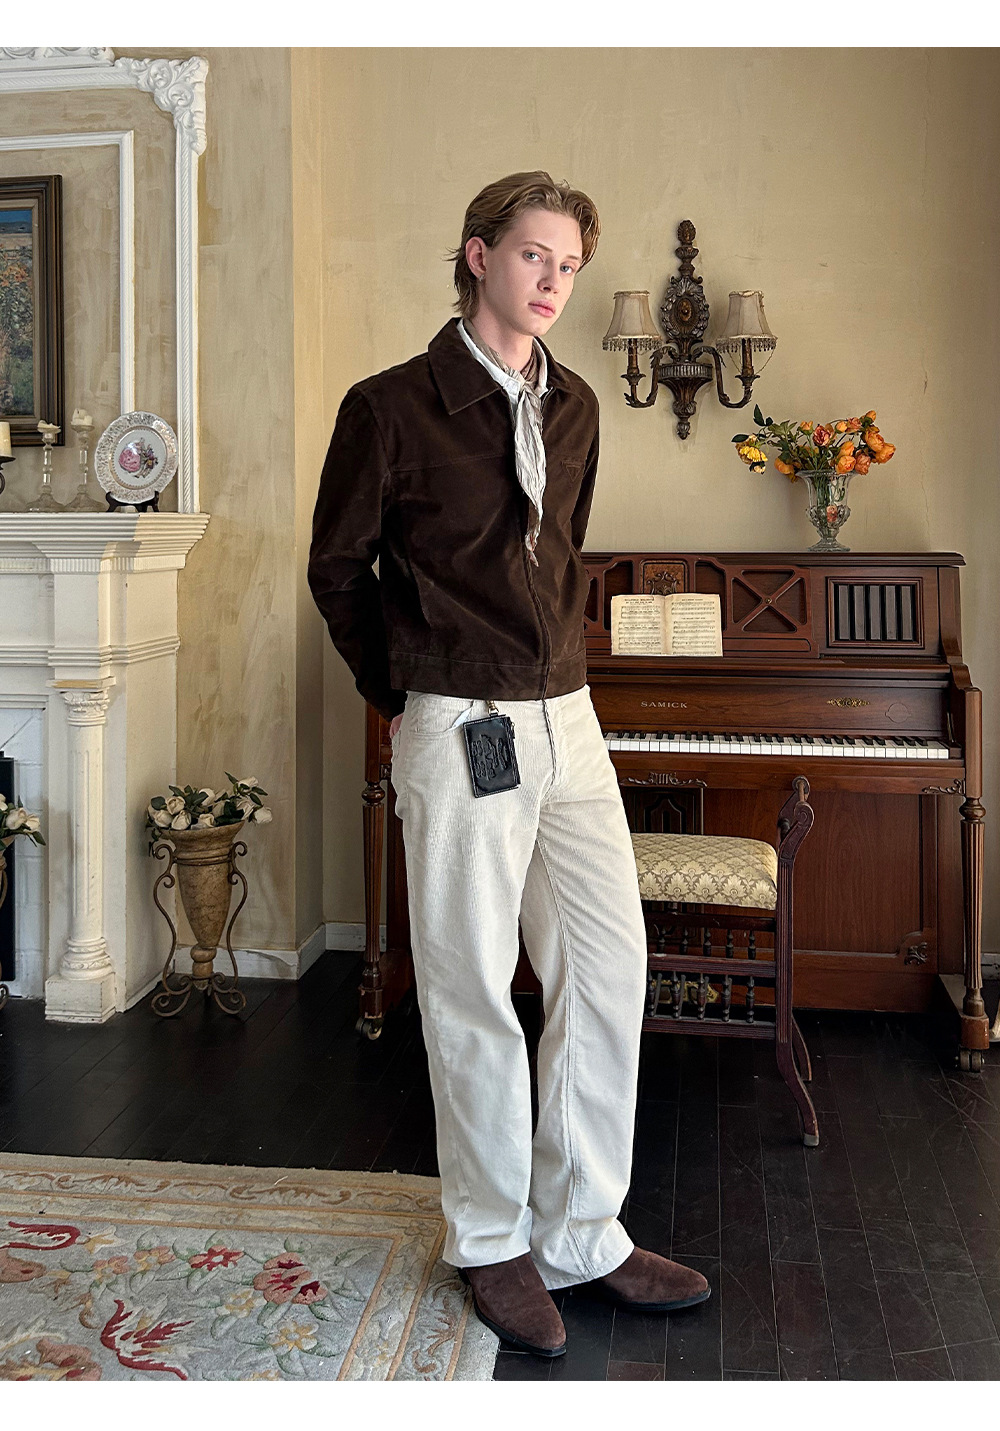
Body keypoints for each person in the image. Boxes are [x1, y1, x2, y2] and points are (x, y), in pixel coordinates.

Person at [308, 171, 710, 1358]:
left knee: (606, 964)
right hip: (458, 717)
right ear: (478, 255)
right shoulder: (389, 406)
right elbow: (338, 569)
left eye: (569, 264)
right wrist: (408, 690)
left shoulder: (575, 404)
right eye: (535, 255)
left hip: (567, 715)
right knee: (472, 983)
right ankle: (491, 1238)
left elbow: (561, 554)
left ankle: (583, 1230)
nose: (553, 280)